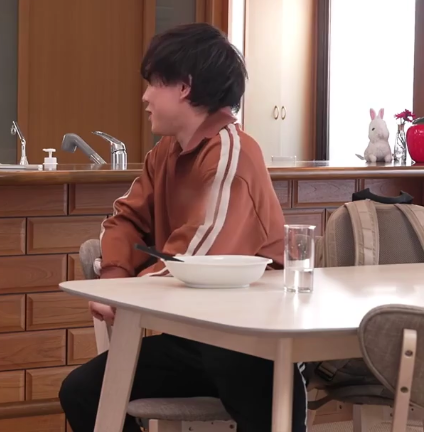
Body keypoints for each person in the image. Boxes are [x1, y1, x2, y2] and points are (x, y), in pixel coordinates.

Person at [59, 23, 306, 432]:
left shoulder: (233, 152)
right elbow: (124, 220)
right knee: (83, 392)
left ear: (185, 87)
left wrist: (125, 294)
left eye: (154, 83)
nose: (145, 96)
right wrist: (114, 275)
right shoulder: (165, 153)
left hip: (252, 341)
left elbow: (196, 256)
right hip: (193, 336)